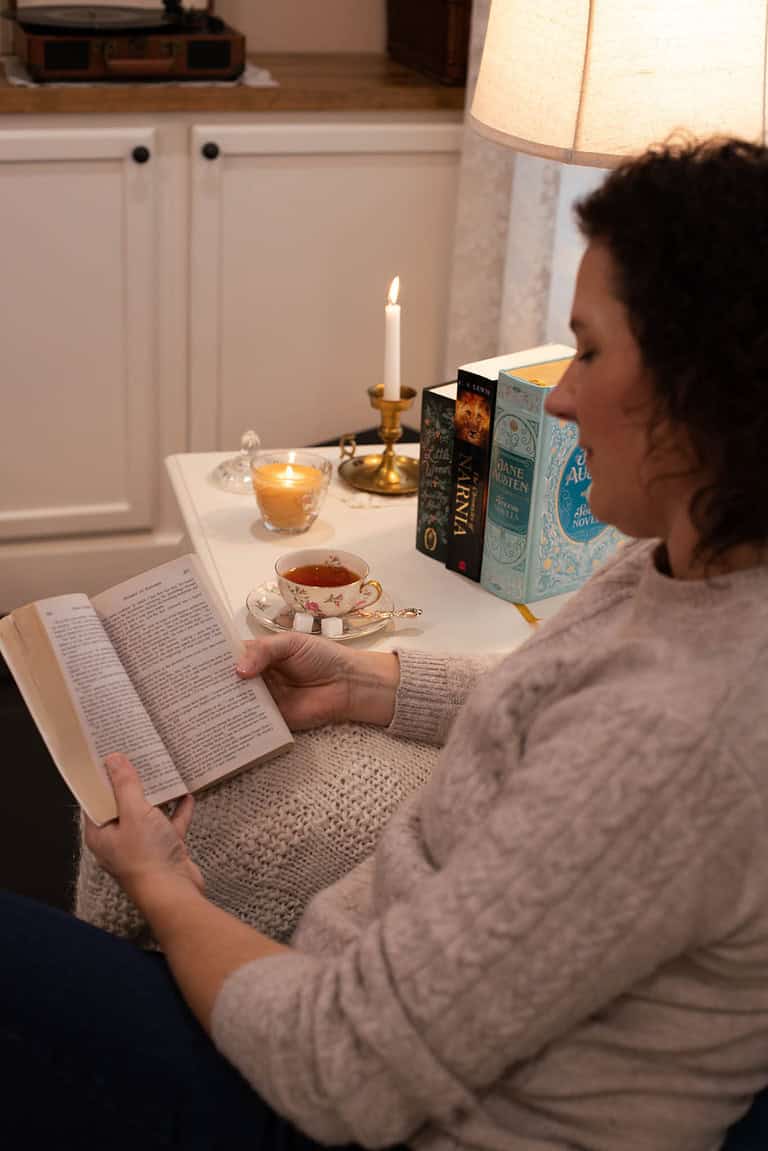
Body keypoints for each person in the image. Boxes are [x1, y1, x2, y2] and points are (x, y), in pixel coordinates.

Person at [4, 135, 768, 1151]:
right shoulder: (698, 553)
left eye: (588, 350)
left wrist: (162, 885)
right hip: (356, 995)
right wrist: (369, 682)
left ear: (695, 389)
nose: (565, 396)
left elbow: (340, 1067)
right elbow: (558, 684)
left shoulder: (677, 746)